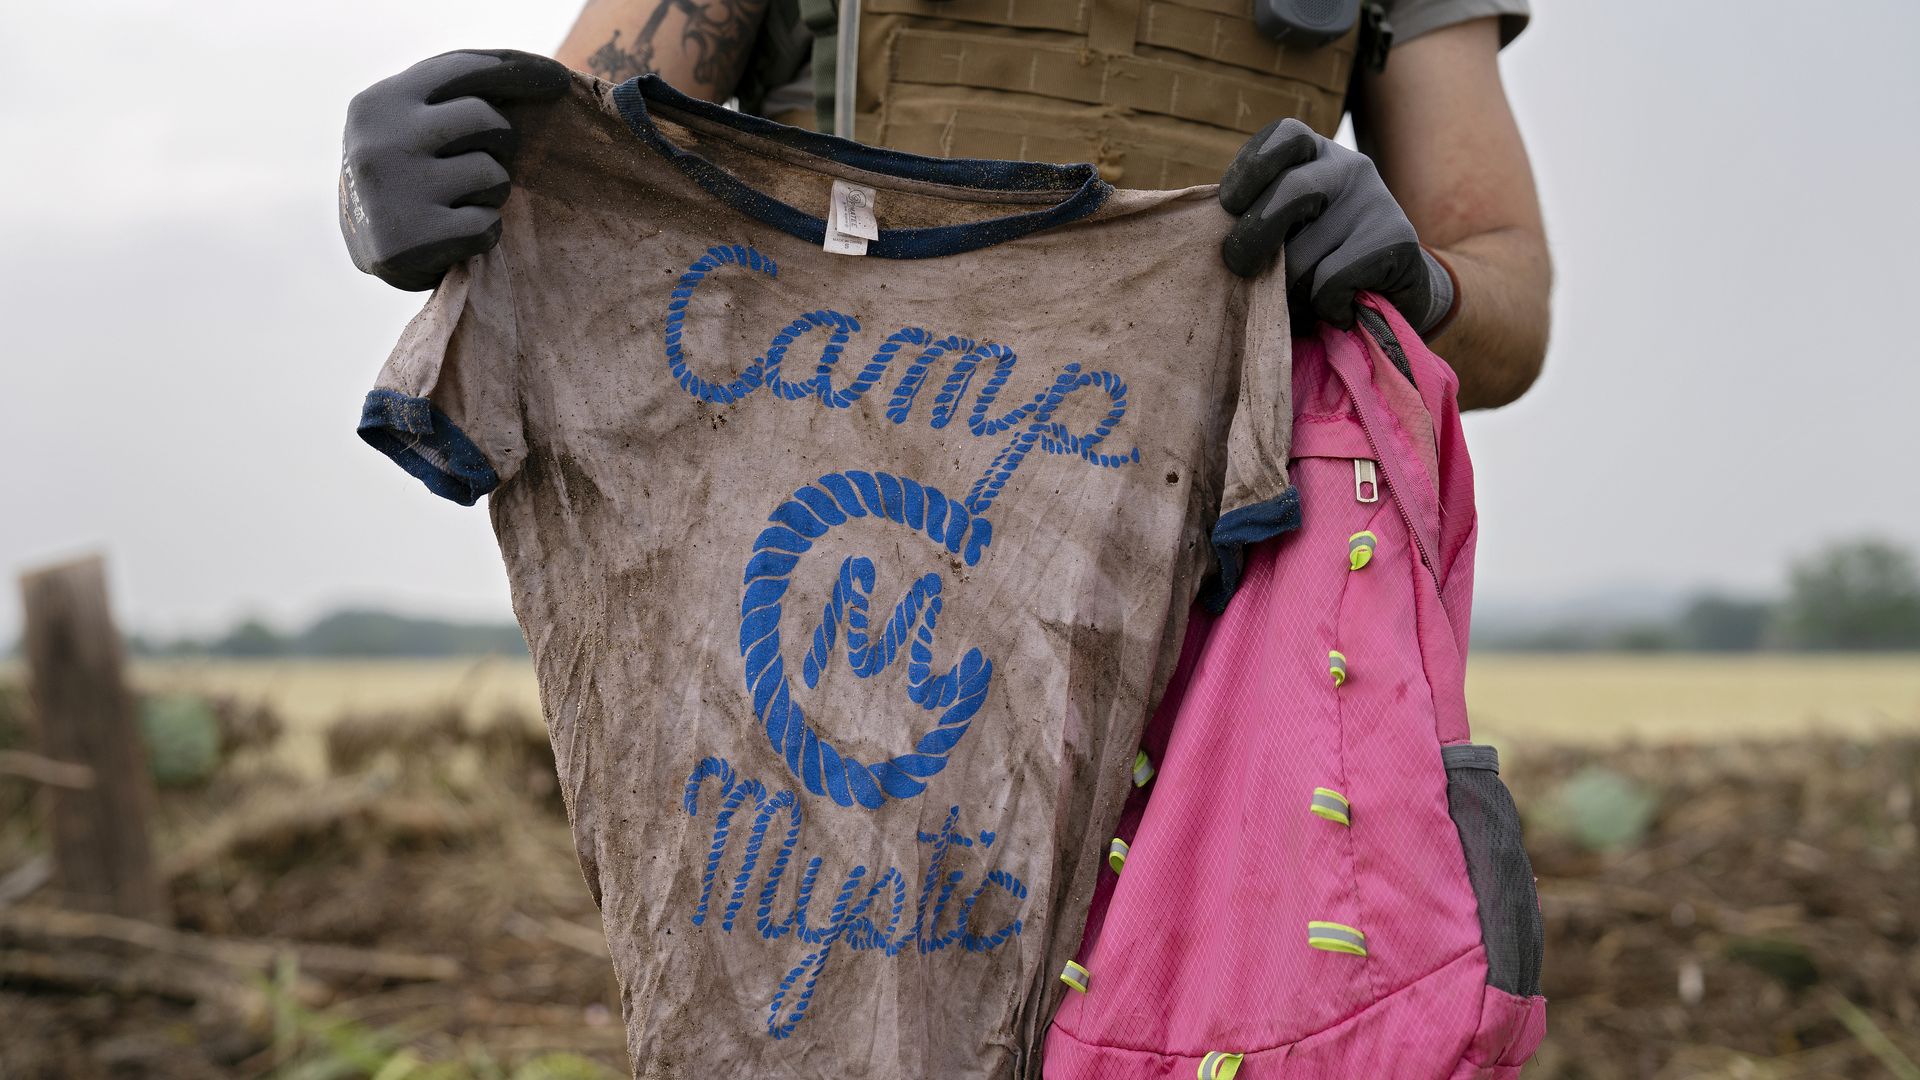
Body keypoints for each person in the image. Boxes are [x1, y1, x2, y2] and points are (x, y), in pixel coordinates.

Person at [339, 0, 1549, 410]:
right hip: (840, 553)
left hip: (1233, 597)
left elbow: (1508, 305)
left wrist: (1421, 290)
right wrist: (407, 187)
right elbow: (576, 175)